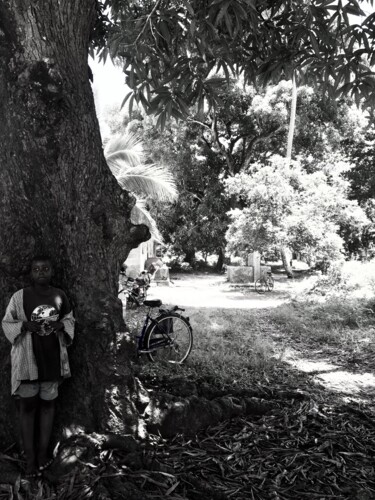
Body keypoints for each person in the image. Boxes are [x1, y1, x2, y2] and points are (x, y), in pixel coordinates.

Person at [2, 255, 75, 478]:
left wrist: (61, 324)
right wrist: (24, 325)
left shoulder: (59, 295)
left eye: (45, 269)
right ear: (31, 273)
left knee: (48, 407)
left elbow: (70, 319)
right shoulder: (20, 297)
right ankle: (30, 457)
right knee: (28, 408)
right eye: (36, 269)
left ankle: (43, 453)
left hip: (52, 362)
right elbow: (7, 322)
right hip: (27, 363)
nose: (41, 272)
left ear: (52, 271)